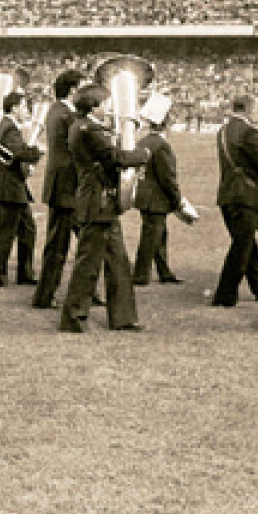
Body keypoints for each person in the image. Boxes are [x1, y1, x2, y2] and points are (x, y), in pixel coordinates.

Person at [58, 83, 150, 333]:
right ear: (94, 106)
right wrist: (144, 154)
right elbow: (116, 157)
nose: (110, 108)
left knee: (118, 262)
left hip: (102, 204)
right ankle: (74, 317)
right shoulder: (88, 129)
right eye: (106, 103)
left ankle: (123, 318)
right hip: (96, 204)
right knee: (88, 265)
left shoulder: (85, 126)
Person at [212, 94, 258, 308]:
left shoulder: (222, 131)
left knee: (246, 244)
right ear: (249, 108)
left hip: (228, 194)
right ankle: (224, 295)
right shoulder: (250, 132)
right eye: (257, 109)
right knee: (242, 247)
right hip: (246, 196)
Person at [32, 69, 86, 309]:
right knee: (62, 246)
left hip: (61, 186)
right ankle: (46, 295)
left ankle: (55, 293)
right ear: (73, 90)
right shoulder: (68, 115)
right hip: (68, 188)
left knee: (63, 244)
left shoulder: (57, 110)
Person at [0, 91, 43, 287]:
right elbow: (18, 152)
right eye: (24, 107)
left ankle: (23, 273)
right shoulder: (9, 127)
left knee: (27, 229)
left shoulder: (5, 124)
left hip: (12, 185)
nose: (26, 111)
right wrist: (37, 151)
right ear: (15, 107)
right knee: (6, 232)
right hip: (10, 187)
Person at [132, 103, 189, 286]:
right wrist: (178, 200)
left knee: (158, 234)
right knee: (152, 236)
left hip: (144, 196)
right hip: (156, 198)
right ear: (166, 124)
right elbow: (167, 178)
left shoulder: (142, 142)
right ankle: (140, 274)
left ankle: (164, 272)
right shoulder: (162, 146)